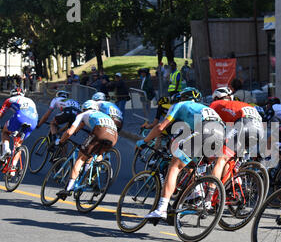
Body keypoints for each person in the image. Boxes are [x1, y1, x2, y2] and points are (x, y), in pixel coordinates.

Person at [135, 91, 225, 221]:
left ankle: (161, 209)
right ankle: (198, 195)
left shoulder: (179, 105)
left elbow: (161, 127)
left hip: (204, 131)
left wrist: (144, 141)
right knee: (190, 163)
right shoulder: (202, 108)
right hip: (220, 134)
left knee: (175, 166)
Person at [56, 100, 118, 199]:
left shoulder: (83, 114)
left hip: (100, 131)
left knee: (81, 157)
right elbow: (81, 126)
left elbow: (69, 132)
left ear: (83, 109)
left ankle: (68, 189)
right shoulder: (101, 114)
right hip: (114, 135)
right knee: (94, 153)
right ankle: (90, 177)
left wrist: (60, 142)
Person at [209, 87, 264, 180]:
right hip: (260, 130)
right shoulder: (239, 104)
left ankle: (212, 191)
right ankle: (229, 186)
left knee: (222, 159)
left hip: (244, 125)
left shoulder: (215, 104)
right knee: (231, 159)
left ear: (215, 98)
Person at [0, 88, 38, 163]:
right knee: (18, 144)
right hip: (34, 121)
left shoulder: (10, 99)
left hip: (21, 116)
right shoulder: (30, 100)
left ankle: (6, 150)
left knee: (5, 132)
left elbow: (1, 113)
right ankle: (13, 168)